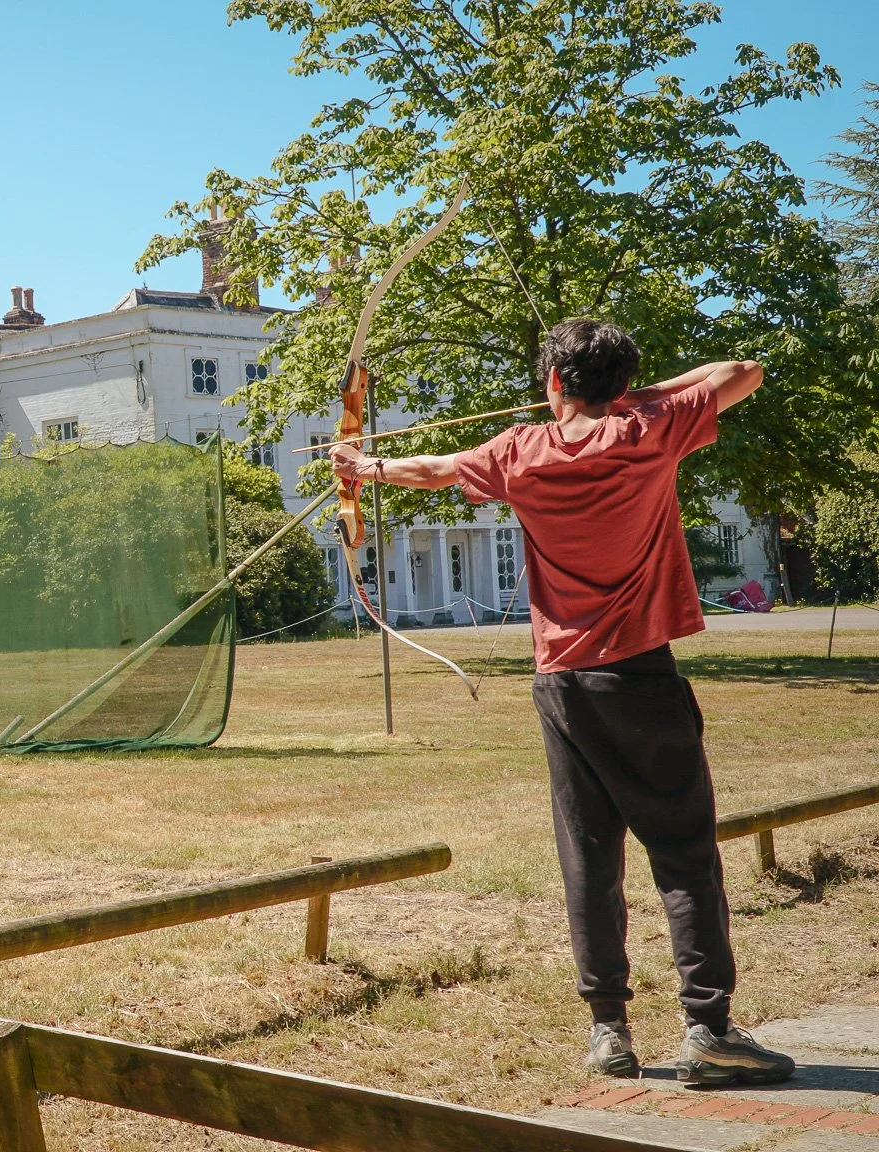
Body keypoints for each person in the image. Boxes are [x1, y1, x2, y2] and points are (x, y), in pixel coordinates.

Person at [330, 318, 793, 1085]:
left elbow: (437, 469)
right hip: (640, 676)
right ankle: (709, 1029)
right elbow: (743, 368)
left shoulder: (519, 451)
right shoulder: (650, 428)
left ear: (552, 383)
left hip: (562, 685)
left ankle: (608, 1030)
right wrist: (627, 397)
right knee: (682, 853)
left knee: (588, 857)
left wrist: (363, 467)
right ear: (618, 385)